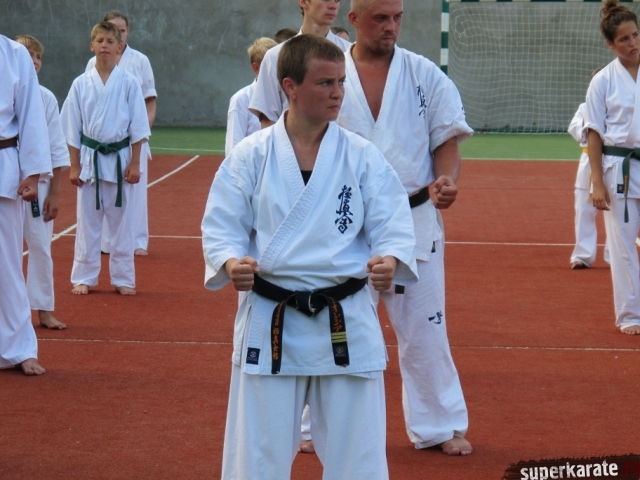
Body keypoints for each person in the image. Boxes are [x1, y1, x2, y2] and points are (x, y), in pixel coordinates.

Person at [203, 35, 418, 480]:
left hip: (344, 317)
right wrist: (230, 262)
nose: (338, 92)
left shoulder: (361, 155)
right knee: (257, 456)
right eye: (325, 83)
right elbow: (222, 223)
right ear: (290, 87)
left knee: (358, 456)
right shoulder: (252, 155)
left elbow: (393, 219)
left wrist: (391, 258)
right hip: (272, 316)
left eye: (341, 82)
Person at [336, 0, 474, 455]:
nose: (390, 27)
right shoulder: (332, 72)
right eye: (380, 18)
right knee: (335, 326)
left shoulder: (425, 74)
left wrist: (445, 179)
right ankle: (319, 425)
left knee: (425, 328)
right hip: (343, 221)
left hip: (414, 215)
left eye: (397, 18)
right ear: (354, 20)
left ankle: (439, 425)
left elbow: (446, 140)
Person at [60, 21, 150, 296]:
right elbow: (71, 128)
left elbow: (138, 126)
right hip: (90, 161)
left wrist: (135, 163)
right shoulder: (80, 84)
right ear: (92, 46)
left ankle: (123, 278)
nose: (105, 46)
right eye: (100, 41)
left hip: (120, 160)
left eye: (110, 42)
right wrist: (74, 165)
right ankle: (84, 276)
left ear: (120, 47)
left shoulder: (129, 83)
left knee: (122, 224)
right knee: (87, 223)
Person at [585, 0, 640, 335]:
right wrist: (596, 182)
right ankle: (630, 314)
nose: (632, 43)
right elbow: (594, 132)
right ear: (610, 44)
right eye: (623, 39)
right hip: (619, 167)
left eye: (635, 35)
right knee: (622, 246)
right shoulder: (603, 81)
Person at [86, 10, 157, 257]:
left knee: (134, 193)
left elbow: (149, 101)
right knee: (102, 192)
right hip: (102, 141)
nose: (116, 34)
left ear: (127, 33)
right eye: (109, 30)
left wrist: (140, 132)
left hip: (132, 140)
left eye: (121, 30)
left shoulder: (140, 61)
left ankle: (136, 241)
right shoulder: (92, 63)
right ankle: (105, 243)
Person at [0, 34, 51, 375]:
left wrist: (33, 173)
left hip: (3, 162)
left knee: (7, 264)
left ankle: (19, 349)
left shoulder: (15, 54)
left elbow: (32, 115)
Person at [14, 35, 70, 330]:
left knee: (40, 247)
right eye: (28, 54)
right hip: (6, 182)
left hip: (40, 186)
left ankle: (44, 309)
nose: (34, 61)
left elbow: (57, 148)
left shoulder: (46, 98)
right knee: (6, 249)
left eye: (38, 57)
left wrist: (55, 193)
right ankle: (10, 313)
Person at [249, 0, 351, 129]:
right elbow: (268, 119)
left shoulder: (350, 55)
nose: (333, 6)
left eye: (337, 0)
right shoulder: (275, 57)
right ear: (303, 2)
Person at [568, 75, 609, 270]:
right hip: (589, 161)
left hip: (613, 160)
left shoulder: (622, 107)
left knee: (616, 212)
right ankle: (583, 255)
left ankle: (614, 256)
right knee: (584, 210)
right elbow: (575, 130)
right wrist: (589, 122)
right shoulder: (585, 108)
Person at [225, 37, 277, 156]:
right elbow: (233, 148)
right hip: (253, 165)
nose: (278, 70)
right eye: (272, 65)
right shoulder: (241, 100)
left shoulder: (286, 97)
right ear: (256, 68)